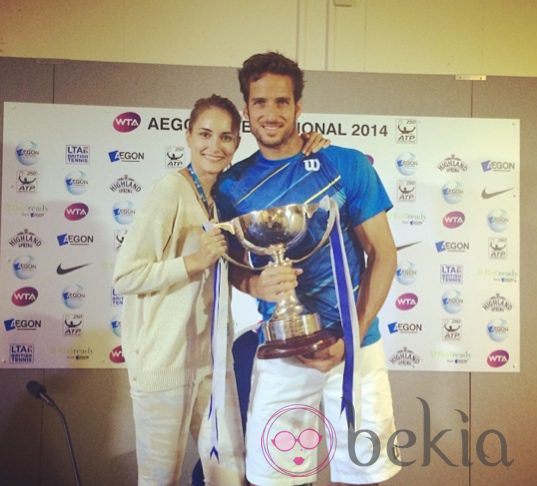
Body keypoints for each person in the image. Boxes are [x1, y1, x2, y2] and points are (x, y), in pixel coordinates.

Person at [113, 93, 329, 486]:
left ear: (237, 143)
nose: (215, 146)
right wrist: (192, 262)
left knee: (229, 474)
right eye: (205, 135)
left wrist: (313, 146)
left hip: (212, 362)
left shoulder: (221, 198)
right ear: (188, 135)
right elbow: (126, 275)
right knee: (159, 479)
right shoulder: (171, 190)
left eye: (226, 137)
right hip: (165, 365)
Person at [214, 52, 401, 486]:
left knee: (365, 477)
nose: (271, 113)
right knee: (275, 478)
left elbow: (384, 255)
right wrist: (255, 284)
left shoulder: (346, 165)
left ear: (298, 107)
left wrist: (351, 338)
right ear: (246, 110)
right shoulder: (231, 186)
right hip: (282, 352)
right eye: (260, 103)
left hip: (356, 349)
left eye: (282, 102)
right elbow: (228, 265)